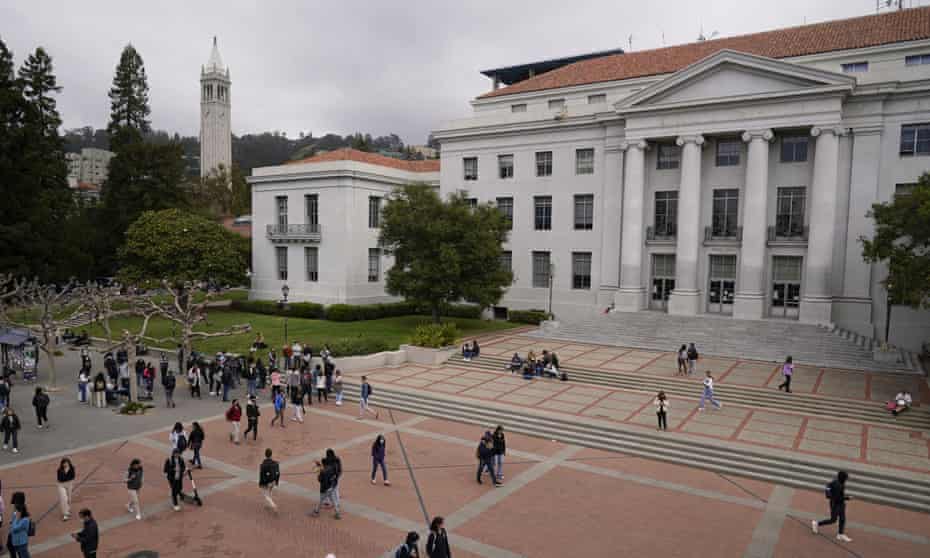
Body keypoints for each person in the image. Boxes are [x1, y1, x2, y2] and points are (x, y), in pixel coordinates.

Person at [812, 471, 853, 542]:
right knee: (833, 520)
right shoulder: (838, 485)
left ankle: (840, 534)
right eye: (846, 478)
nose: (846, 480)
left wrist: (828, 493)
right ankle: (816, 523)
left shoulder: (836, 482)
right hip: (836, 505)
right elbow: (837, 497)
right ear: (842, 478)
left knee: (842, 518)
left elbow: (828, 486)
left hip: (840, 504)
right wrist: (847, 498)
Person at [9, 493, 31, 558]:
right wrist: (14, 519)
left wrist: (15, 520)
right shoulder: (16, 514)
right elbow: (12, 521)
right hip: (16, 541)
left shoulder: (25, 520)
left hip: (22, 542)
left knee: (24, 555)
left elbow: (15, 528)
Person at [259, 448, 280, 512]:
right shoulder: (276, 463)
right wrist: (276, 482)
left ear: (265, 455)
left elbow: (262, 475)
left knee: (266, 495)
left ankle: (273, 505)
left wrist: (261, 483)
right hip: (273, 482)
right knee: (270, 493)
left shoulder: (263, 465)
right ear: (271, 455)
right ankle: (268, 505)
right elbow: (278, 473)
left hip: (266, 483)